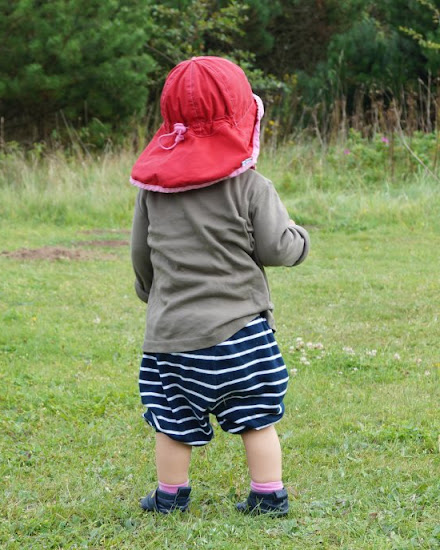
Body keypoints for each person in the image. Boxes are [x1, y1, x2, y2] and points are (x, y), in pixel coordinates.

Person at [129, 56, 310, 516]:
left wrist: (152, 293)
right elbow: (275, 247)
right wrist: (301, 241)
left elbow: (142, 255)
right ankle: (268, 493)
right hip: (241, 332)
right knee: (257, 418)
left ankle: (170, 497)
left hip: (170, 335)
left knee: (171, 422)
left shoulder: (154, 190)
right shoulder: (250, 186)